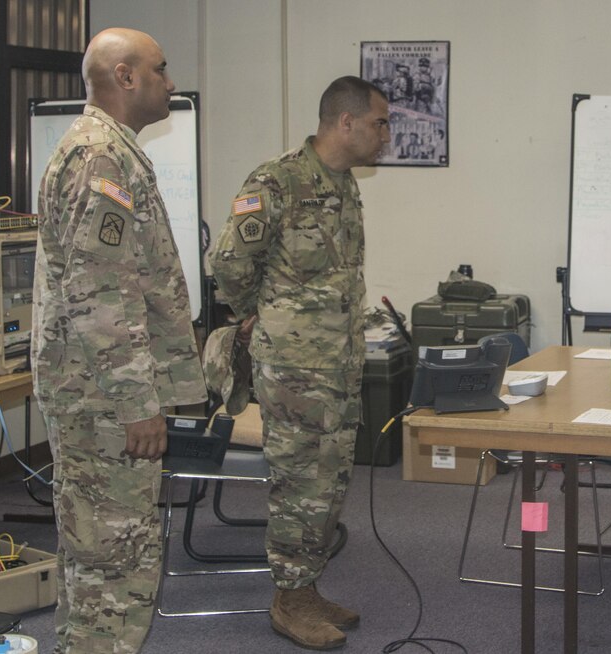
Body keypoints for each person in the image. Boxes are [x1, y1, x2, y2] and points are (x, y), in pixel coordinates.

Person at [31, 28, 206, 653]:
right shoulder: (100, 157)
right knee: (116, 559)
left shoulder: (110, 151)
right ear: (126, 76)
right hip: (103, 398)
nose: (171, 81)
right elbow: (100, 293)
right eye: (161, 69)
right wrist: (137, 401)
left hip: (95, 388)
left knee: (96, 550)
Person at [209, 75, 389, 650]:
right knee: (296, 484)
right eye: (380, 123)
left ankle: (306, 588)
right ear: (346, 122)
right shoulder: (276, 181)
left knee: (329, 480)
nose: (386, 135)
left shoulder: (343, 186)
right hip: (293, 371)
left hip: (339, 366)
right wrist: (254, 313)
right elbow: (229, 262)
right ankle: (288, 599)